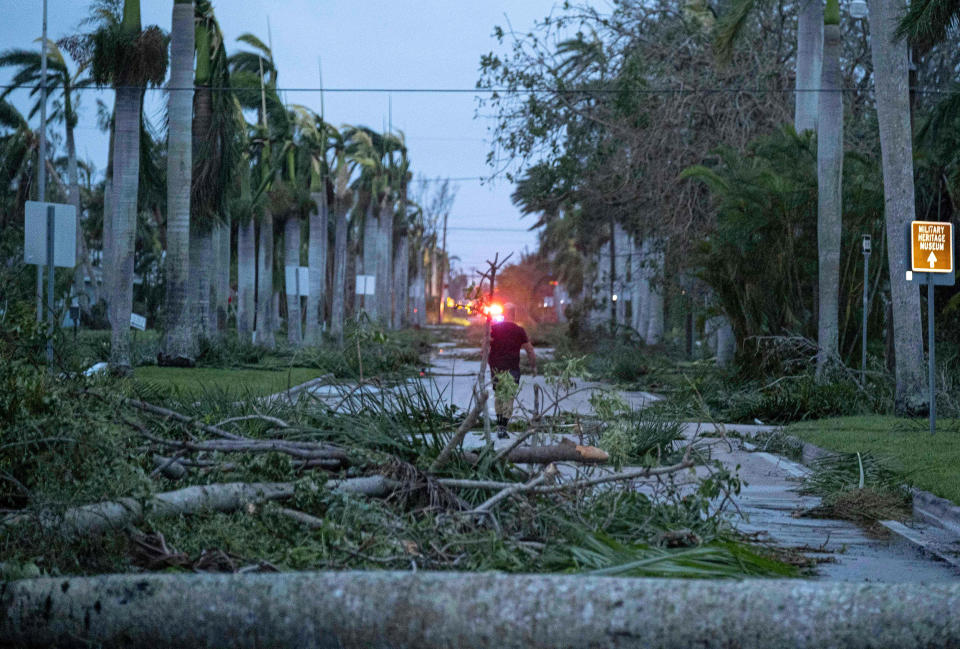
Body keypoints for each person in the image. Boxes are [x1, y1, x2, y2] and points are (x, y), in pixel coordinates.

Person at [488, 319, 536, 437]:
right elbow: (529, 349)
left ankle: (500, 425)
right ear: (513, 314)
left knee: (499, 396)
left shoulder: (494, 328)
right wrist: (533, 366)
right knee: (509, 398)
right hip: (512, 368)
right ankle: (503, 427)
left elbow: (485, 345)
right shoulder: (519, 330)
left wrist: (487, 361)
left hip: (496, 369)